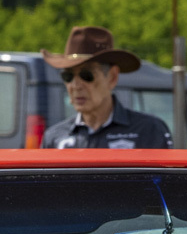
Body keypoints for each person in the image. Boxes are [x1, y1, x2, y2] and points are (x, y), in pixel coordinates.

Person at [40, 27, 172, 150]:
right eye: (68, 76)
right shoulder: (54, 138)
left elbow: (164, 175)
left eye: (87, 75)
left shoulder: (148, 130)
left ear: (112, 77)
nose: (75, 85)